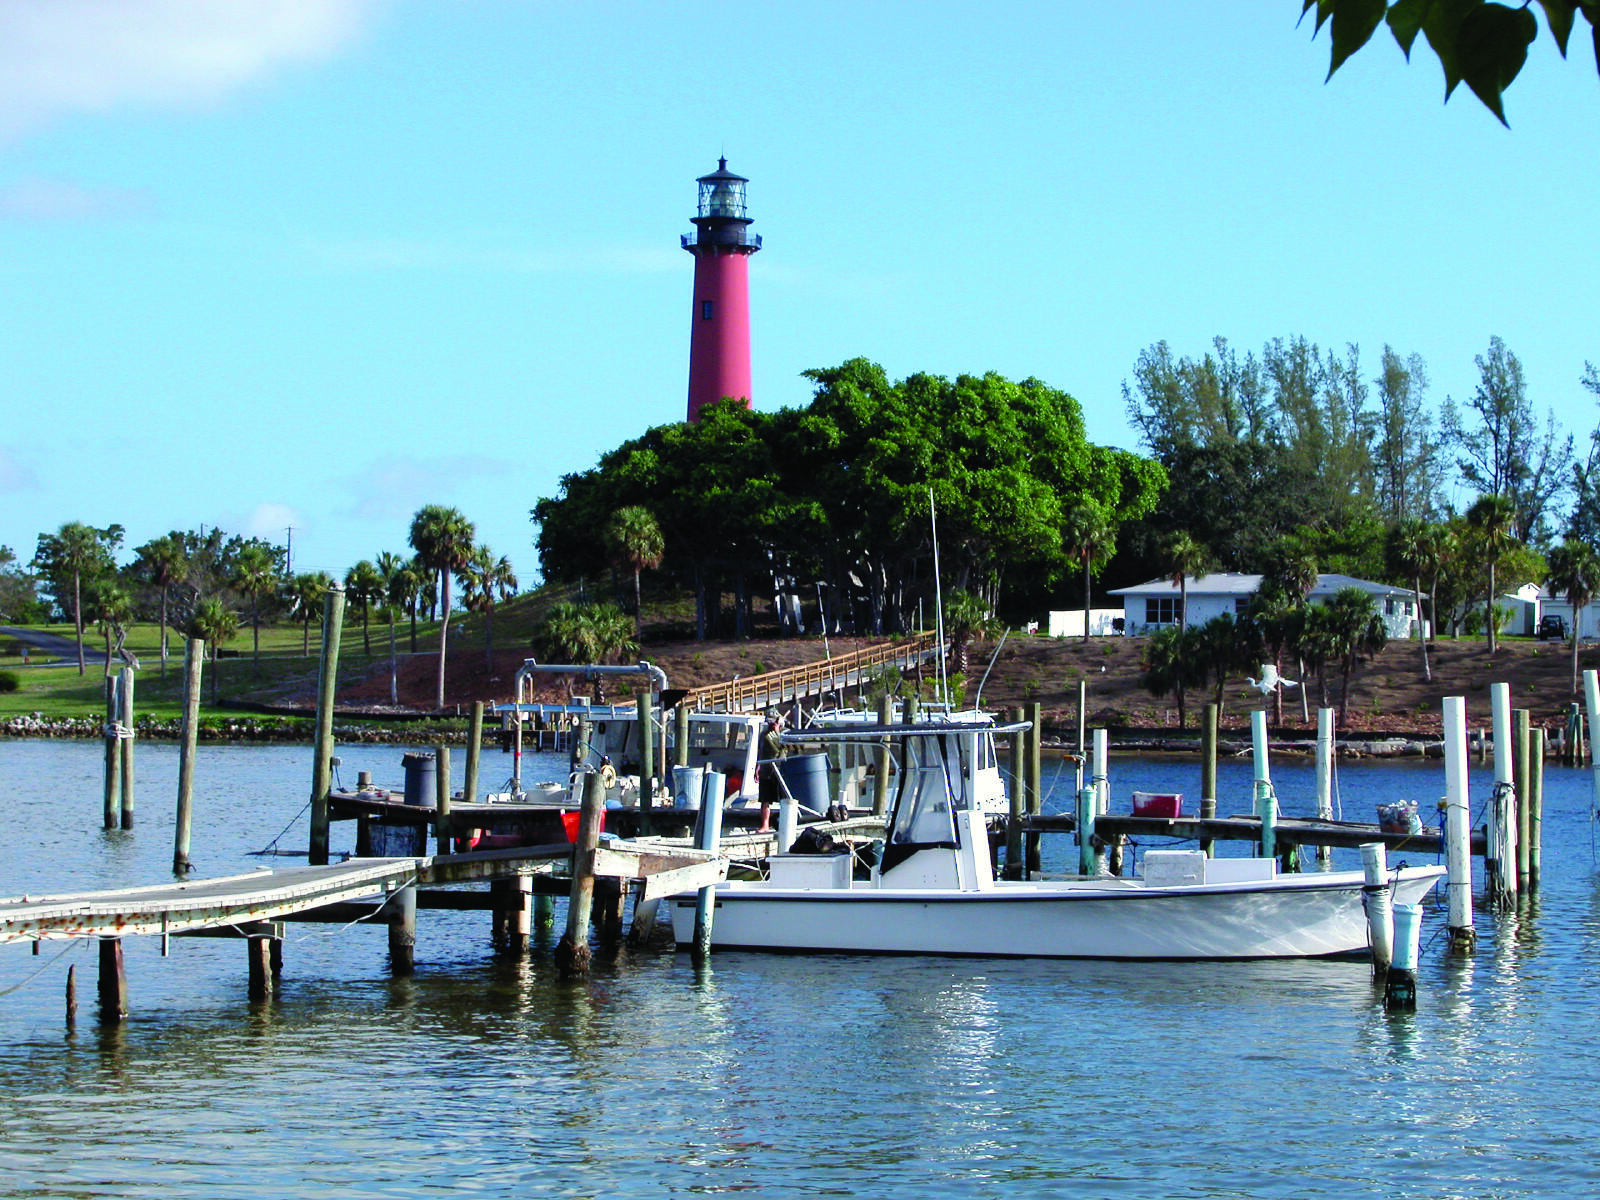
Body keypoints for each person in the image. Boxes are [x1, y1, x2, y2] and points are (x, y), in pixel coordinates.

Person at [757, 710, 787, 832]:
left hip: (780, 770)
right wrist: (758, 767)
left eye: (772, 722)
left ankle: (785, 822)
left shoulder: (784, 734)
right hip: (766, 769)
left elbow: (781, 750)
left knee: (784, 798)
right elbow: (760, 751)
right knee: (765, 799)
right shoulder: (764, 734)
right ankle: (765, 825)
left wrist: (777, 732)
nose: (770, 725)